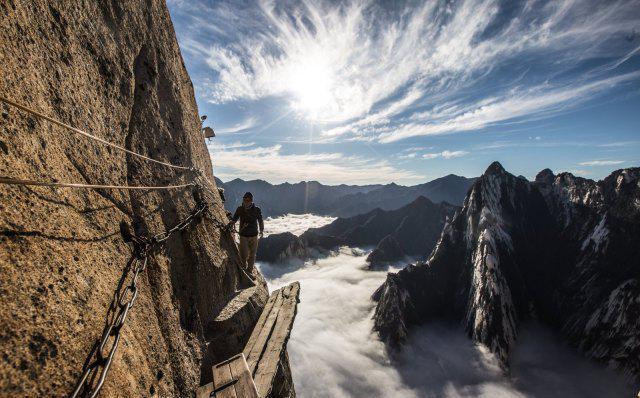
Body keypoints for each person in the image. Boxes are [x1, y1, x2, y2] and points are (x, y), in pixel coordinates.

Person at [227, 192, 264, 270]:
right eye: (244, 200)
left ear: (251, 200)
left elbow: (260, 220)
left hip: (254, 235)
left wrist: (261, 230)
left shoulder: (257, 209)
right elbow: (235, 219)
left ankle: (249, 270)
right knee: (244, 254)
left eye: (247, 200)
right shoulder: (240, 209)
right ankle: (244, 267)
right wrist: (231, 223)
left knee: (252, 255)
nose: (246, 202)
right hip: (244, 235)